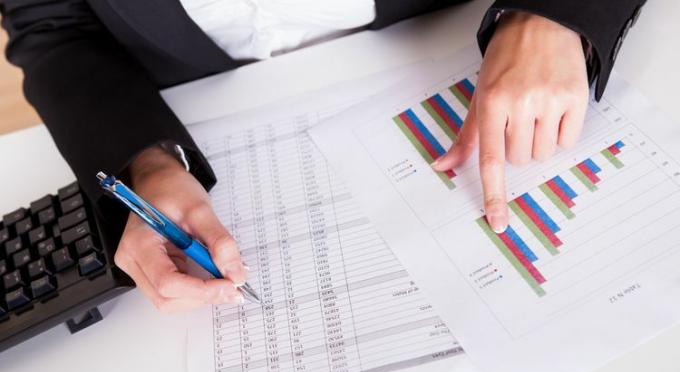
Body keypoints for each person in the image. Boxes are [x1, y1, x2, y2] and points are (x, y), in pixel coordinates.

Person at [0, 0, 645, 310]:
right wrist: (143, 159)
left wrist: (555, 12)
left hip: (453, 43)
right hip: (209, 117)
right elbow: (53, 26)